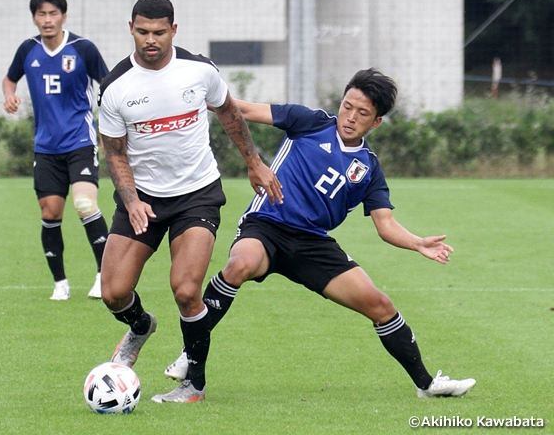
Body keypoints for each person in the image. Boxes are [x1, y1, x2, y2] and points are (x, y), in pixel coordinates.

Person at [164, 68, 477, 399]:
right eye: (347, 106)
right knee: (240, 264)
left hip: (311, 242)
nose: (351, 117)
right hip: (267, 224)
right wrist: (201, 97)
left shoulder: (368, 168)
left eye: (363, 113)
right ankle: (192, 352)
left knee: (380, 305)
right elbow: (243, 108)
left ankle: (426, 385)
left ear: (376, 122)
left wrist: (417, 243)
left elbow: (385, 225)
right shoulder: (310, 122)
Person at [97, 0, 283, 404]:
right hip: (142, 198)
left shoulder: (199, 71)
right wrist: (130, 200)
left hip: (196, 195)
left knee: (185, 289)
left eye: (159, 32)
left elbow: (230, 113)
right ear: (131, 29)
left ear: (173, 31)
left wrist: (254, 162)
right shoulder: (115, 88)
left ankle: (193, 385)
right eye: (143, 32)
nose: (151, 40)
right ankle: (141, 326)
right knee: (113, 293)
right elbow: (114, 152)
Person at [3, 0, 109, 301]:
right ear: (34, 17)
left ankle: (104, 275)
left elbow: (109, 86)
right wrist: (9, 95)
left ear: (64, 16)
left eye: (53, 14)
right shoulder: (28, 50)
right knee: (50, 213)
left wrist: (109, 130)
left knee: (85, 204)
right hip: (46, 147)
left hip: (79, 140)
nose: (47, 20)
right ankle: (60, 283)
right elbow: (10, 78)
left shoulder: (82, 48)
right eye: (41, 14)